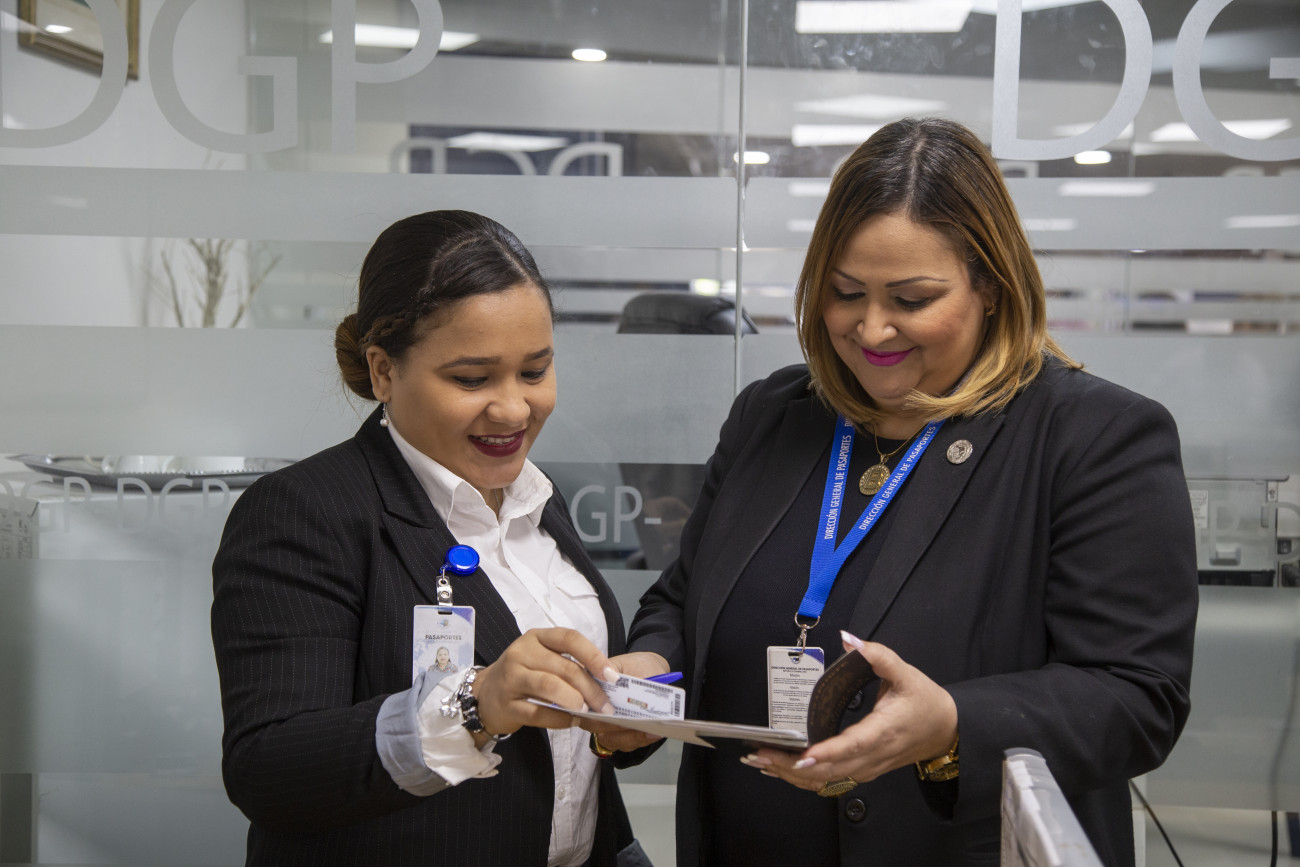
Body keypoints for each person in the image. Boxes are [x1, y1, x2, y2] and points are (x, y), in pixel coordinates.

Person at [596, 118, 1198, 866]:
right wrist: (648, 674)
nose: (872, 329)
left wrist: (951, 722)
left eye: (911, 299)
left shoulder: (1091, 435)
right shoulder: (773, 414)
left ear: (991, 285)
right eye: (845, 292)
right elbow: (682, 602)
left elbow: (1137, 695)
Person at [211, 210, 648, 866]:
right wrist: (474, 707)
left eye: (534, 371)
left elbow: (563, 745)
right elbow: (269, 767)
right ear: (383, 371)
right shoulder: (305, 512)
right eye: (472, 379)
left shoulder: (536, 497)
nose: (514, 408)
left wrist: (621, 718)